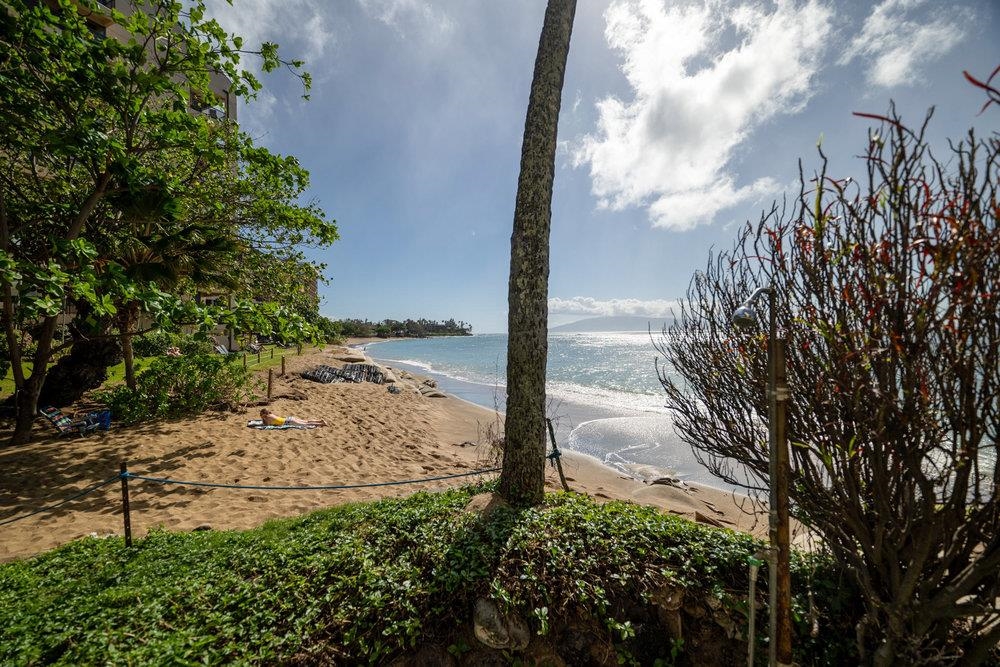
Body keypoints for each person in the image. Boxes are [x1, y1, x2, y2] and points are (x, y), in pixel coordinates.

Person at [260, 408, 327, 427]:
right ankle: (320, 421)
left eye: (261, 415)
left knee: (306, 424)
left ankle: (321, 424)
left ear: (264, 414)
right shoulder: (270, 414)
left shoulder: (268, 418)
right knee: (306, 421)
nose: (261, 416)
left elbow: (267, 424)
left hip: (289, 422)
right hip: (289, 419)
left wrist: (263, 419)